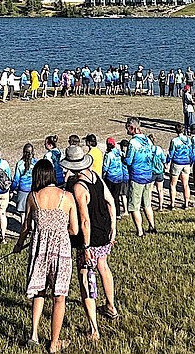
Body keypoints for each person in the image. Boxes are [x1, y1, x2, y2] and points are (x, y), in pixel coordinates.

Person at [14, 160, 78, 353]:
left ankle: (33, 334)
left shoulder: (33, 197)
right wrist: (60, 230)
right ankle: (54, 342)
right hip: (61, 251)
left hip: (39, 249)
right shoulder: (66, 197)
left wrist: (19, 244)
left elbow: (26, 227)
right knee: (59, 297)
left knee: (38, 292)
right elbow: (74, 229)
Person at [63, 143, 119, 341]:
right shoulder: (96, 177)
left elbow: (84, 220)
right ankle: (111, 306)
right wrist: (113, 226)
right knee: (103, 266)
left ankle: (93, 329)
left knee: (86, 276)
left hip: (90, 237)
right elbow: (110, 202)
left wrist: (85, 246)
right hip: (103, 230)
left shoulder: (78, 187)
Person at [122, 118, 157, 237]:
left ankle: (140, 231)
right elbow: (152, 154)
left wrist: (123, 158)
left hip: (137, 176)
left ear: (132, 128)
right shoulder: (147, 140)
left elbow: (129, 160)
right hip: (148, 175)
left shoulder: (133, 143)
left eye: (127, 127)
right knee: (147, 203)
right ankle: (152, 226)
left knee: (134, 206)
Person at [101, 138, 129, 217]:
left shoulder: (108, 154)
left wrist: (103, 174)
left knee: (109, 196)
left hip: (111, 177)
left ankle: (110, 212)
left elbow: (105, 167)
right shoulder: (117, 151)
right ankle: (118, 213)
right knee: (116, 196)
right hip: (119, 176)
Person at [13, 143, 37, 223]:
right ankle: (33, 231)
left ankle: (24, 230)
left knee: (23, 213)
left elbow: (16, 179)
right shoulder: (35, 163)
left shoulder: (19, 164)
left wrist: (12, 189)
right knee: (33, 212)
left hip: (22, 190)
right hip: (33, 189)